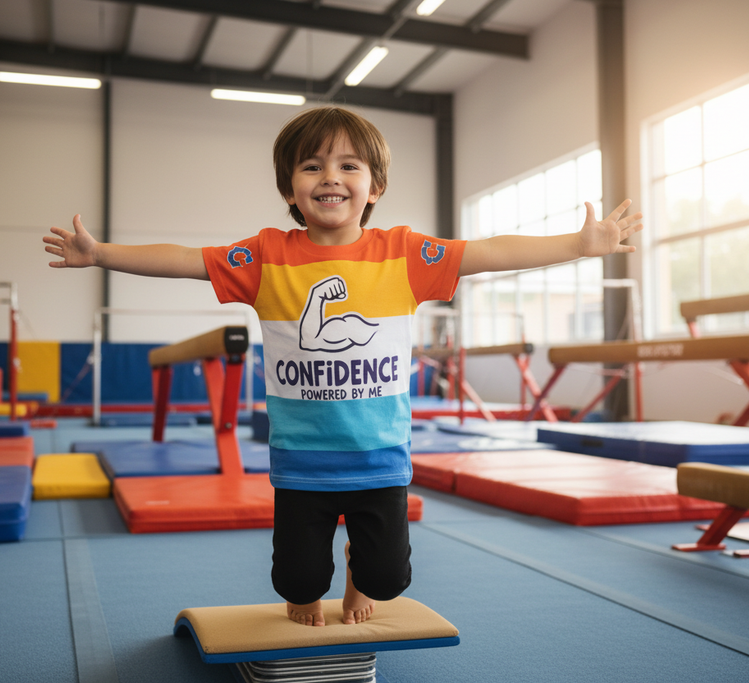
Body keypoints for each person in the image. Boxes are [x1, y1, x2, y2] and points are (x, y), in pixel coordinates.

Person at [43, 106, 642, 628]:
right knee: (297, 586)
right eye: (312, 166)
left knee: (387, 583)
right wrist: (100, 255)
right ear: (289, 189)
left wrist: (575, 244)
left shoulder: (403, 254)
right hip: (302, 460)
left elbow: (488, 253)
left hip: (379, 454)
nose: (330, 177)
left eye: (349, 165)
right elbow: (184, 260)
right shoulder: (265, 257)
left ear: (374, 185)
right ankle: (320, 573)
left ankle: (360, 567)